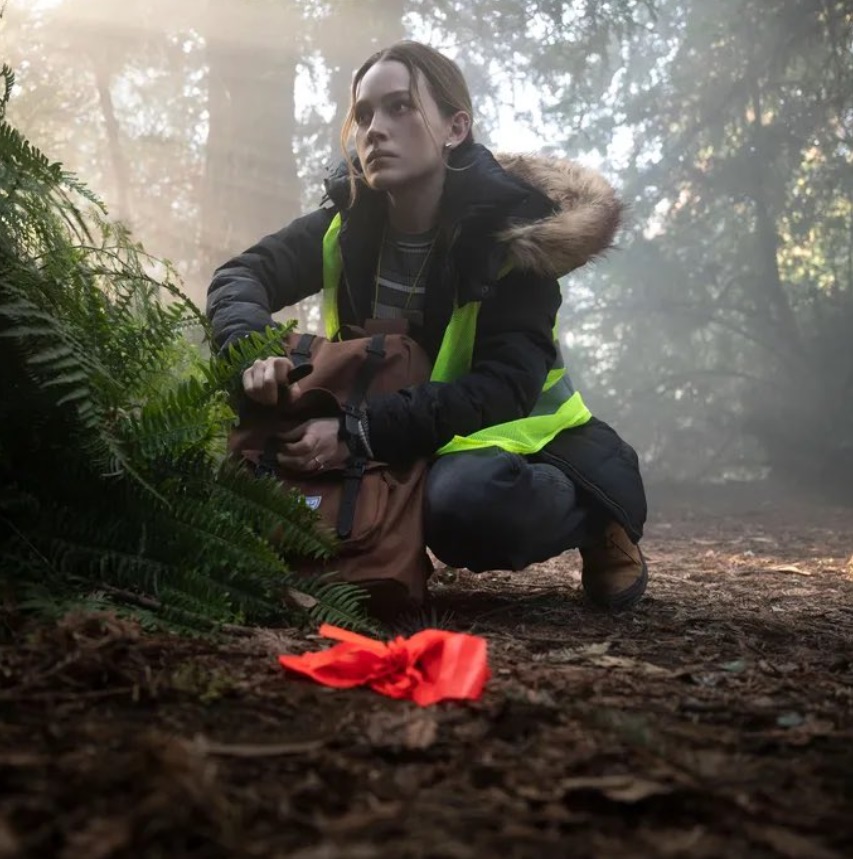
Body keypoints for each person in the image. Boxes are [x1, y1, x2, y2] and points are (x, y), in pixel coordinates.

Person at [207, 40, 648, 610]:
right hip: (401, 422)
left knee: (463, 506)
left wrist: (355, 435)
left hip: (516, 438)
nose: (375, 130)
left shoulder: (512, 242)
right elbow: (240, 277)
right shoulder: (344, 224)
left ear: (455, 128)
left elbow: (503, 389)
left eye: (400, 108)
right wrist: (254, 352)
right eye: (364, 115)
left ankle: (596, 513)